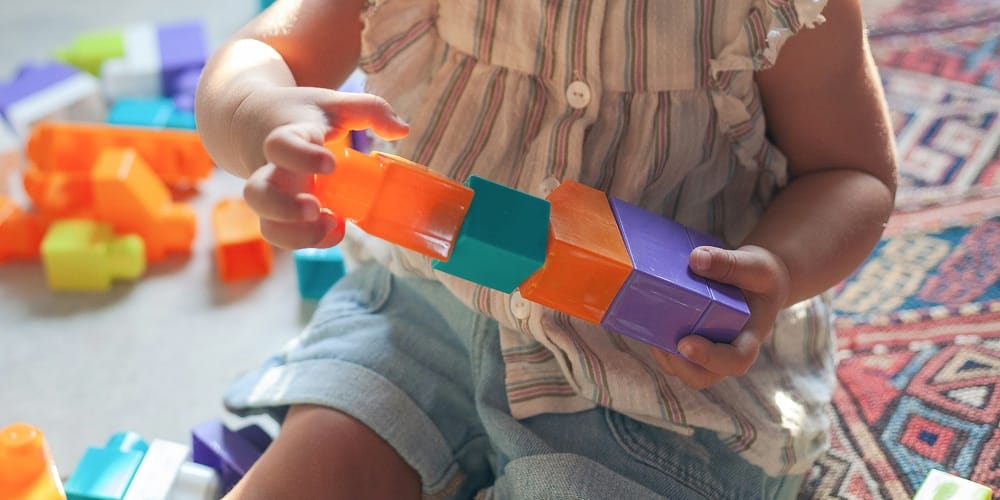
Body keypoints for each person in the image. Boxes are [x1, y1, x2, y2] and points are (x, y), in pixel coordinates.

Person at [195, 0, 897, 497]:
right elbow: (256, 59)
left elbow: (851, 173)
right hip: (421, 314)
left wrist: (777, 269)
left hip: (653, 375)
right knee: (310, 472)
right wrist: (263, 117)